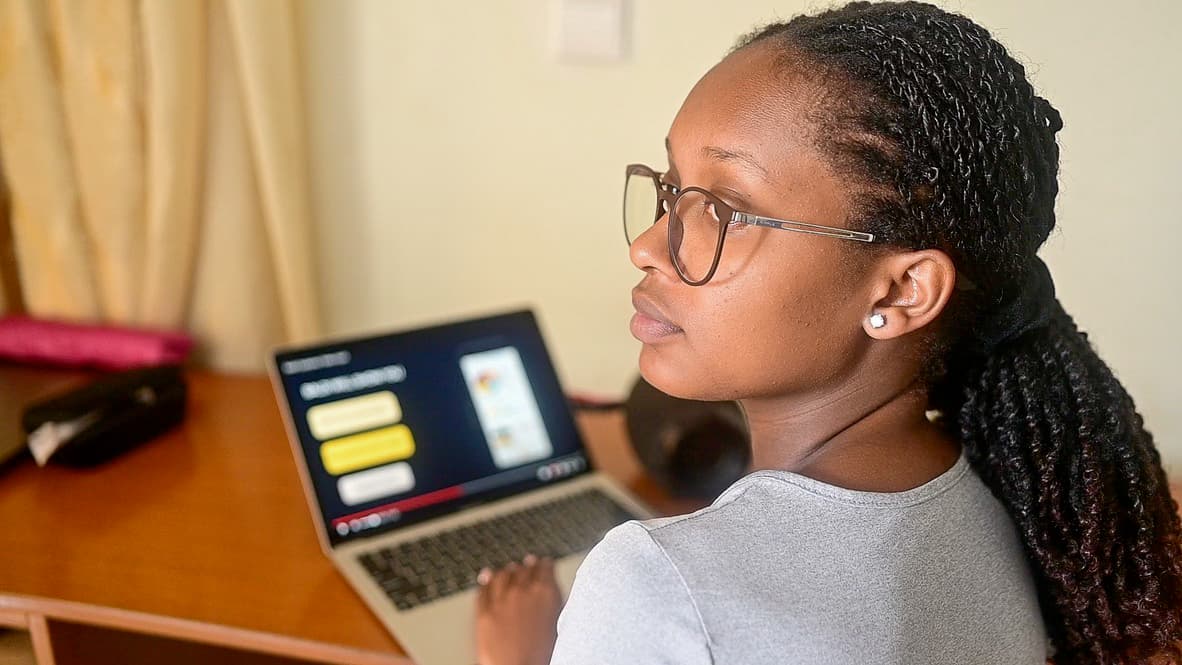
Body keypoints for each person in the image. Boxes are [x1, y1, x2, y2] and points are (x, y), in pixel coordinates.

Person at [473, 2, 1182, 664]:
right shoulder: (1007, 499)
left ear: (902, 291)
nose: (652, 246)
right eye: (670, 187)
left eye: (723, 208)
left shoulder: (660, 586)